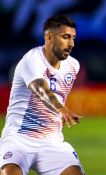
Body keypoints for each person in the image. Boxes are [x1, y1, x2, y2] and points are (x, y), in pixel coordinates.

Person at [0, 15, 85, 175]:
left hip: (52, 140)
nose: (71, 44)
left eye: (73, 38)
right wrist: (61, 109)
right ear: (48, 37)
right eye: (65, 37)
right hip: (19, 138)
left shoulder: (73, 65)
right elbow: (41, 89)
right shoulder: (32, 60)